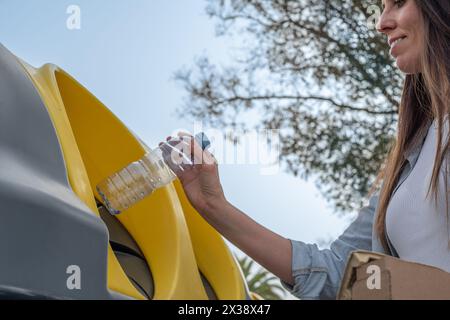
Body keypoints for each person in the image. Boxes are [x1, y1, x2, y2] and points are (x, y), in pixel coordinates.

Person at [160, 0, 449, 300]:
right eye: (383, 6)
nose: (382, 22)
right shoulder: (411, 154)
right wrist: (213, 205)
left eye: (399, 3)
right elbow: (343, 275)